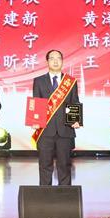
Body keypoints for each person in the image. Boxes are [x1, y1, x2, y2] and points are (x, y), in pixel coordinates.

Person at [31, 49, 81, 186]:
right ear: (47, 62)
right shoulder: (39, 81)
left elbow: (75, 102)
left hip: (65, 130)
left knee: (64, 166)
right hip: (45, 130)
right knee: (45, 166)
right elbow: (36, 102)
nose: (55, 61)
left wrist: (76, 119)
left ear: (62, 61)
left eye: (58, 58)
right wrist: (35, 121)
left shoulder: (70, 82)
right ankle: (45, 195)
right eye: (52, 58)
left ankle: (64, 195)